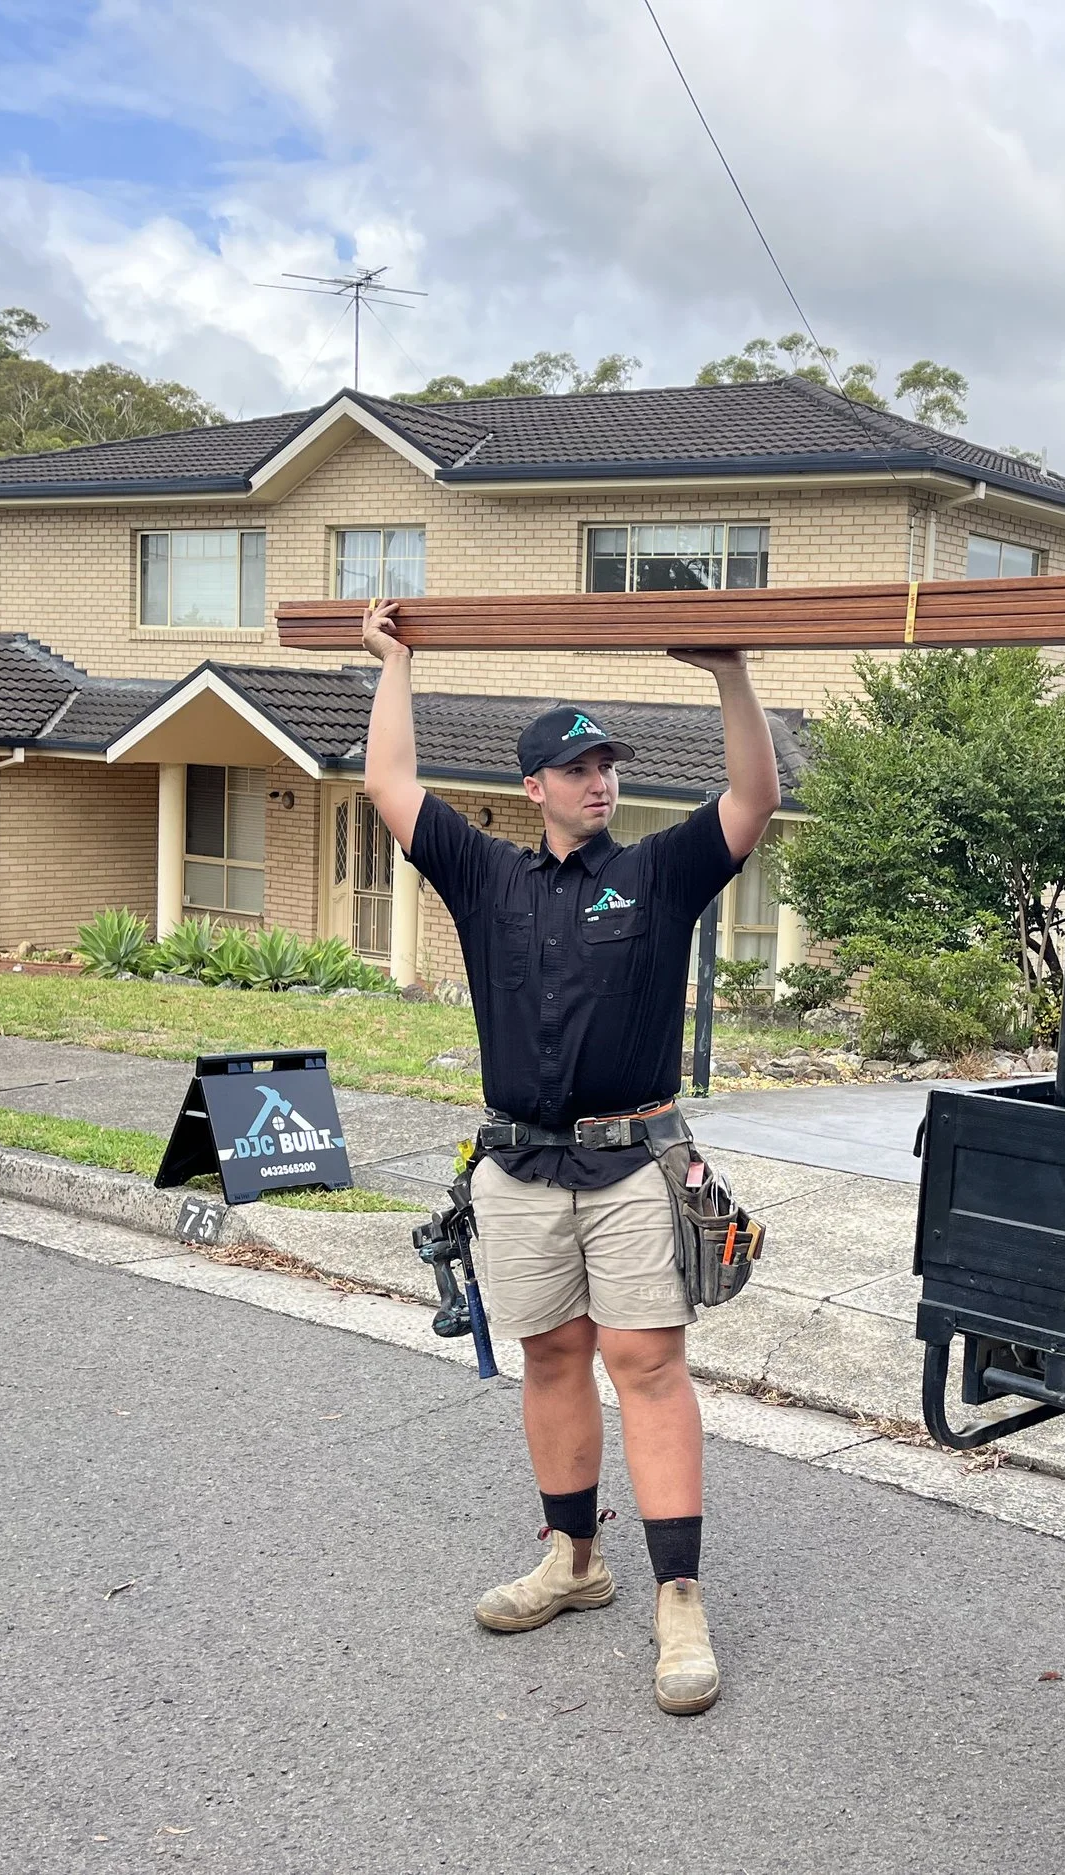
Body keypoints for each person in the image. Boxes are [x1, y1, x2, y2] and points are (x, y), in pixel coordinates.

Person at [357, 597, 781, 1715]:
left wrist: (730, 674)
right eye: (578, 767)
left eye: (607, 767)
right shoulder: (487, 876)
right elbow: (390, 788)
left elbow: (752, 799)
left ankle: (677, 1600)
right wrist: (394, 666)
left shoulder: (656, 876)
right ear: (534, 785)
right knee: (550, 1361)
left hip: (633, 1168)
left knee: (645, 1367)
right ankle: (573, 1561)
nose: (599, 782)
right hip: (518, 1171)